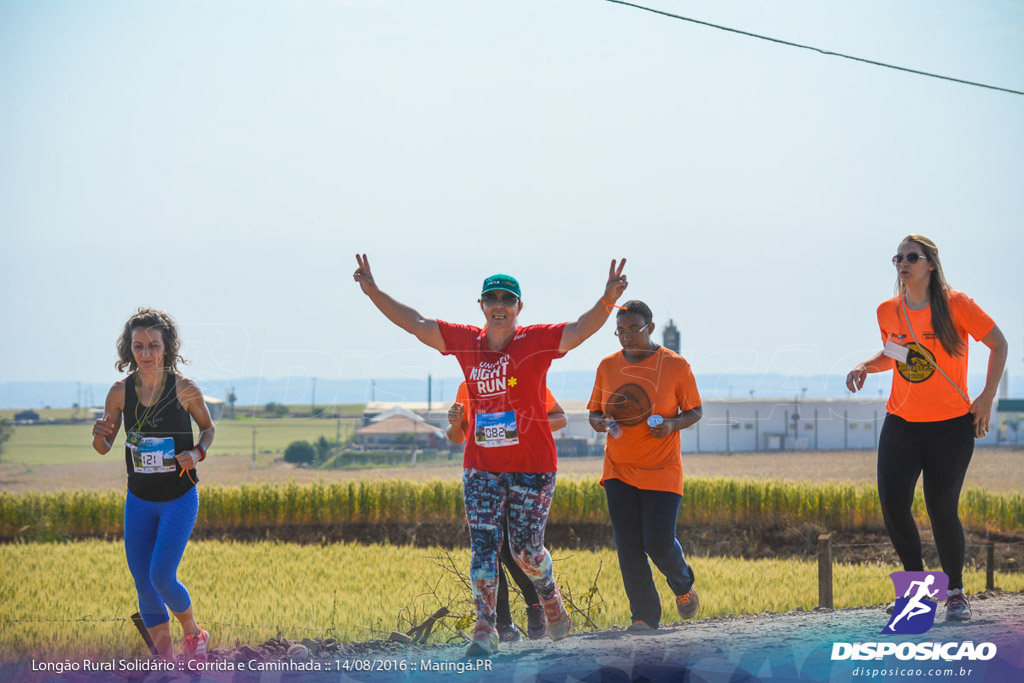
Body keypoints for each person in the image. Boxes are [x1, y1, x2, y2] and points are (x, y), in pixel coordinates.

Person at [354, 254, 628, 655]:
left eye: (507, 299)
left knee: (526, 551)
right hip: (481, 467)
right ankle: (485, 627)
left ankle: (549, 596)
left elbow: (577, 330)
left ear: (519, 307)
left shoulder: (534, 342)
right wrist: (374, 292)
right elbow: (415, 324)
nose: (499, 304)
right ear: (481, 305)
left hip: (533, 467)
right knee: (483, 547)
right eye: (491, 298)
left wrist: (607, 300)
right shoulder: (465, 341)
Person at [846, 235, 1007, 621]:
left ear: (930, 264)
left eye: (911, 257)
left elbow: (999, 343)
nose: (903, 263)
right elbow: (897, 353)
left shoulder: (957, 305)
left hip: (951, 426)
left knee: (940, 508)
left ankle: (954, 592)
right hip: (901, 422)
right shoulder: (888, 310)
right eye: (898, 258)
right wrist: (866, 365)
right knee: (894, 505)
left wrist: (985, 398)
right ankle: (917, 593)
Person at [91, 308, 216, 660]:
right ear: (128, 349)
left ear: (167, 348)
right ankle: (167, 661)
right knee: (143, 583)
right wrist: (99, 436)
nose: (146, 354)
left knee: (161, 575)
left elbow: (208, 429)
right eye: (138, 346)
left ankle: (193, 633)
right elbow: (104, 448)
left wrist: (197, 452)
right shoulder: (119, 392)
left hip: (178, 496)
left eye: (153, 345)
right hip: (139, 499)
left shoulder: (185, 389)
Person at [588, 300, 703, 631]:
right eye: (620, 332)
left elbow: (694, 410)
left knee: (658, 542)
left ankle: (682, 585)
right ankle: (644, 616)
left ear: (651, 328)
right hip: (618, 469)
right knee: (628, 545)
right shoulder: (607, 366)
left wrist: (670, 425)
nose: (626, 337)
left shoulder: (676, 366)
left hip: (662, 469)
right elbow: (595, 412)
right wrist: (600, 421)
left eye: (633, 330)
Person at [447, 381, 568, 642]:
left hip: (524, 475)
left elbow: (560, 418)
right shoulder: (468, 384)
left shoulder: (521, 380)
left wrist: (522, 423)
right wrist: (455, 423)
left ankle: (538, 605)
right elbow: (459, 435)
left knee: (520, 550)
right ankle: (496, 625)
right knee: (488, 550)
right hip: (486, 477)